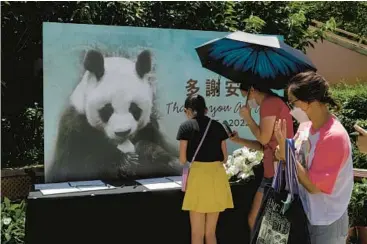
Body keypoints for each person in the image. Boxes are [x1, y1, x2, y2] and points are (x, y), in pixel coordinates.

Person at [274, 71, 354, 244]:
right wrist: (282, 150)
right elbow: (295, 157)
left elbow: (314, 186)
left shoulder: (334, 136)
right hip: (305, 213)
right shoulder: (305, 126)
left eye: (292, 102)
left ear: (310, 102)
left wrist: (287, 156)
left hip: (327, 220)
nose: (291, 108)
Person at [229, 83, 294, 231]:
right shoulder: (272, 102)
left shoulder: (269, 103)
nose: (247, 102)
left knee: (257, 221)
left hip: (276, 173)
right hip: (273, 171)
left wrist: (248, 118)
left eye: (246, 97)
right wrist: (239, 140)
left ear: (252, 90)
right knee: (261, 222)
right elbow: (265, 145)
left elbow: (263, 139)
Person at [176, 94, 234, 244]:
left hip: (198, 179)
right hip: (217, 177)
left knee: (197, 234)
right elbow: (225, 158)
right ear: (206, 109)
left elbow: (182, 159)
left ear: (188, 110)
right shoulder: (217, 126)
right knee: (210, 233)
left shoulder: (185, 127)